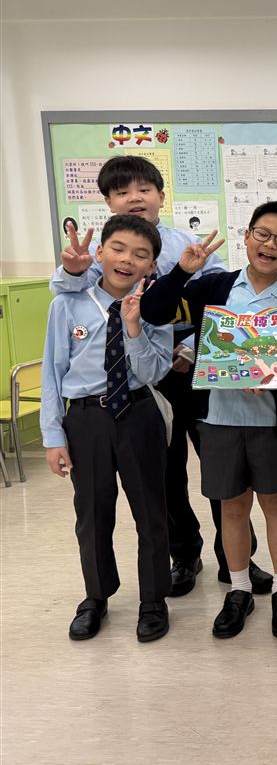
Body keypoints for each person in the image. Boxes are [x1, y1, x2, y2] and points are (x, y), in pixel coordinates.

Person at [51, 155, 269, 598]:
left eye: (144, 189)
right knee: (164, 474)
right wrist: (72, 269)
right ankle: (183, 554)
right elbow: (69, 291)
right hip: (141, 378)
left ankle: (237, 558)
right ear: (108, 202)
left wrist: (189, 348)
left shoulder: (189, 245)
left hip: (199, 368)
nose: (134, 197)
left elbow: (223, 303)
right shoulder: (100, 251)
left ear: (160, 196)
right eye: (122, 191)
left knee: (222, 464)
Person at [141, 201, 277, 640]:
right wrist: (181, 273)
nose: (270, 245)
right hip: (216, 419)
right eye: (263, 233)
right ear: (247, 236)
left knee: (275, 503)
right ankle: (238, 590)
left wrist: (271, 380)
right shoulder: (212, 286)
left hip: (269, 422)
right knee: (232, 506)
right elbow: (153, 311)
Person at [41, 215, 174, 642]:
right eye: (118, 249)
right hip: (85, 419)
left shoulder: (156, 308)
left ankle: (153, 598)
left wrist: (134, 328)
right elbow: (52, 373)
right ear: (99, 253)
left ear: (151, 265)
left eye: (140, 254)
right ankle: (96, 596)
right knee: (92, 512)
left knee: (151, 511)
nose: (127, 260)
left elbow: (153, 372)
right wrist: (53, 437)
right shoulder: (67, 303)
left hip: (138, 414)